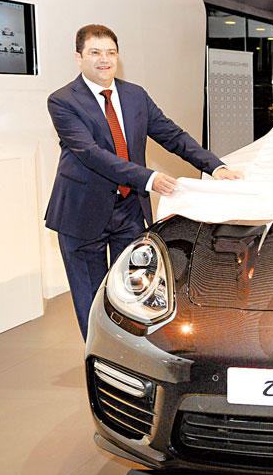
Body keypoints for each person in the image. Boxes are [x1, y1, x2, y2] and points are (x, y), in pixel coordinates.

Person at [45, 24, 241, 340]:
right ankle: (100, 355)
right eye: (95, 52)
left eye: (110, 52)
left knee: (136, 291)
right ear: (79, 57)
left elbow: (172, 135)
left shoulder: (135, 95)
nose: (104, 60)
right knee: (91, 298)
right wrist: (148, 178)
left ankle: (132, 353)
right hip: (81, 213)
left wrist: (214, 166)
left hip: (129, 210)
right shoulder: (63, 100)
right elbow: (90, 153)